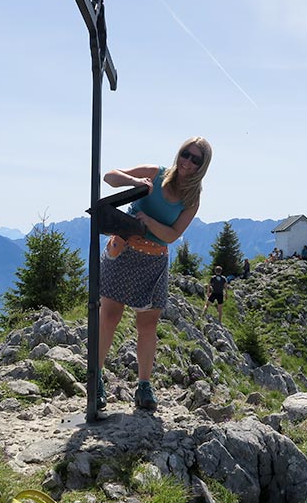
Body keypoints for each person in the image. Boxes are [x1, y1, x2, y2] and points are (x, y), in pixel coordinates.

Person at [96, 137, 212, 411]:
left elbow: (172, 235)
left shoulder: (192, 199)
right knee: (109, 317)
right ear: (179, 153)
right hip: (123, 249)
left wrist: (148, 221)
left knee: (147, 326)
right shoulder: (155, 173)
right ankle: (96, 379)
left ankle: (144, 386)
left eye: (196, 159)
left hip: (153, 260)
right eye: (186, 154)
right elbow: (110, 177)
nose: (188, 162)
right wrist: (134, 183)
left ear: (202, 166)